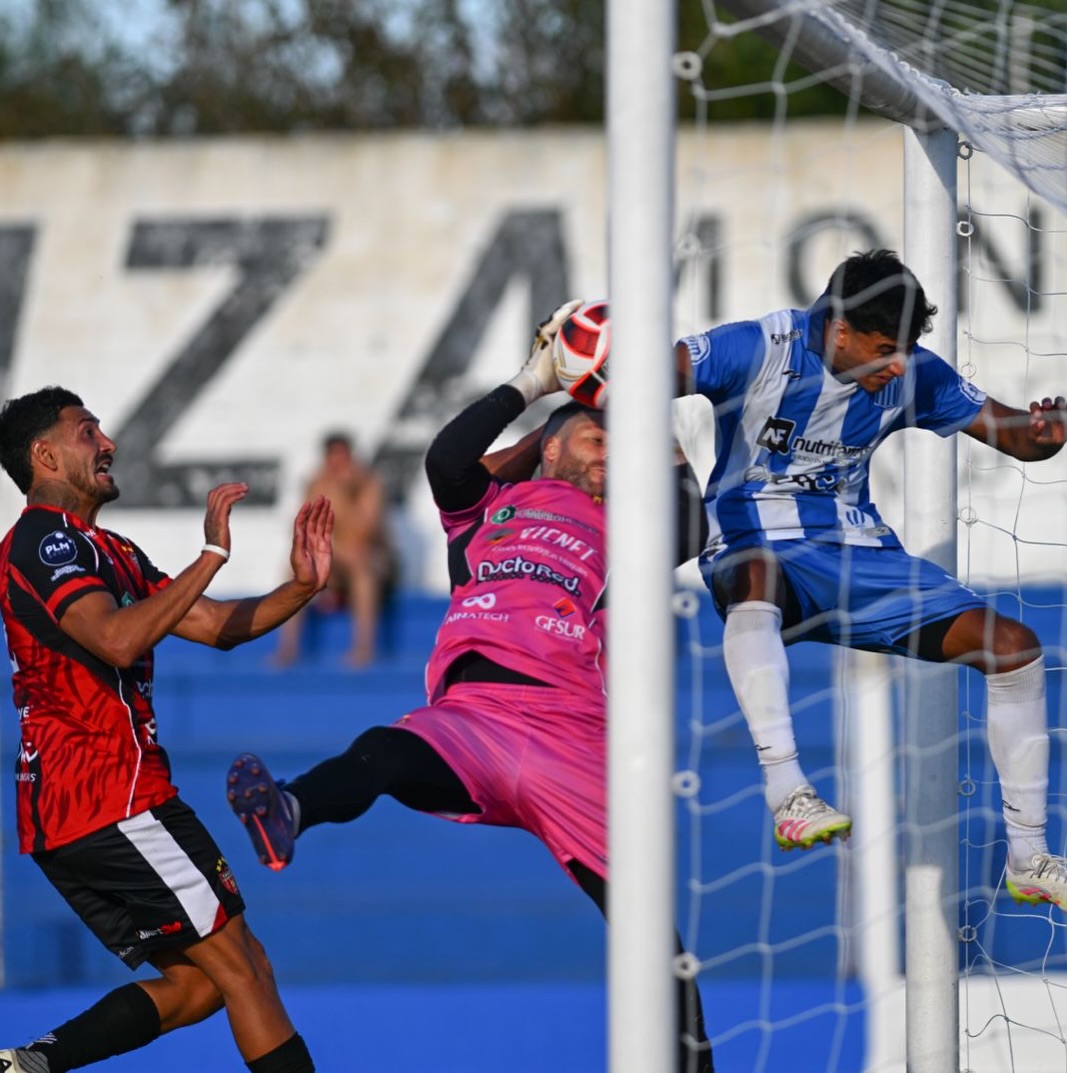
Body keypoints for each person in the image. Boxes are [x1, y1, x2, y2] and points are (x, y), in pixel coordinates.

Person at [225, 303, 715, 1071]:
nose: (610, 455)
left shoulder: (628, 526)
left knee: (649, 928)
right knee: (384, 750)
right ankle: (289, 809)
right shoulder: (487, 511)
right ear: (550, 447)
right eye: (596, 439)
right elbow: (447, 460)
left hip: (570, 734)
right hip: (471, 718)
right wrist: (534, 381)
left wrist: (650, 416)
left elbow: (694, 526)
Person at [676, 248, 1067, 917]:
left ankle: (1030, 857)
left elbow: (1014, 436)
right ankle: (789, 791)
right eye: (885, 349)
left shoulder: (912, 373)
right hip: (753, 543)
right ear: (839, 331)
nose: (900, 365)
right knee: (758, 570)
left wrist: (1045, 433)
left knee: (1013, 646)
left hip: (859, 553)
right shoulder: (759, 347)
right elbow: (635, 376)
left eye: (906, 349)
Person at [0, 386, 332, 1073]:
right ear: (45, 456)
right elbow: (118, 640)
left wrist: (300, 587)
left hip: (85, 811)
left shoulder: (109, 548)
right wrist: (211, 554)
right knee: (246, 969)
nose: (108, 443)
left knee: (202, 984)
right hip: (110, 798)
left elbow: (213, 626)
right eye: (88, 431)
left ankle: (31, 1063)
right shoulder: (43, 540)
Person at [273, 430, 396, 668]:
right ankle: (287, 649)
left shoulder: (368, 483)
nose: (339, 466)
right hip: (334, 557)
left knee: (363, 570)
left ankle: (364, 648)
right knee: (293, 572)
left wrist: (345, 493)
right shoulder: (317, 483)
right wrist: (336, 550)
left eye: (344, 458)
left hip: (371, 559)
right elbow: (303, 529)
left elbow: (366, 532)